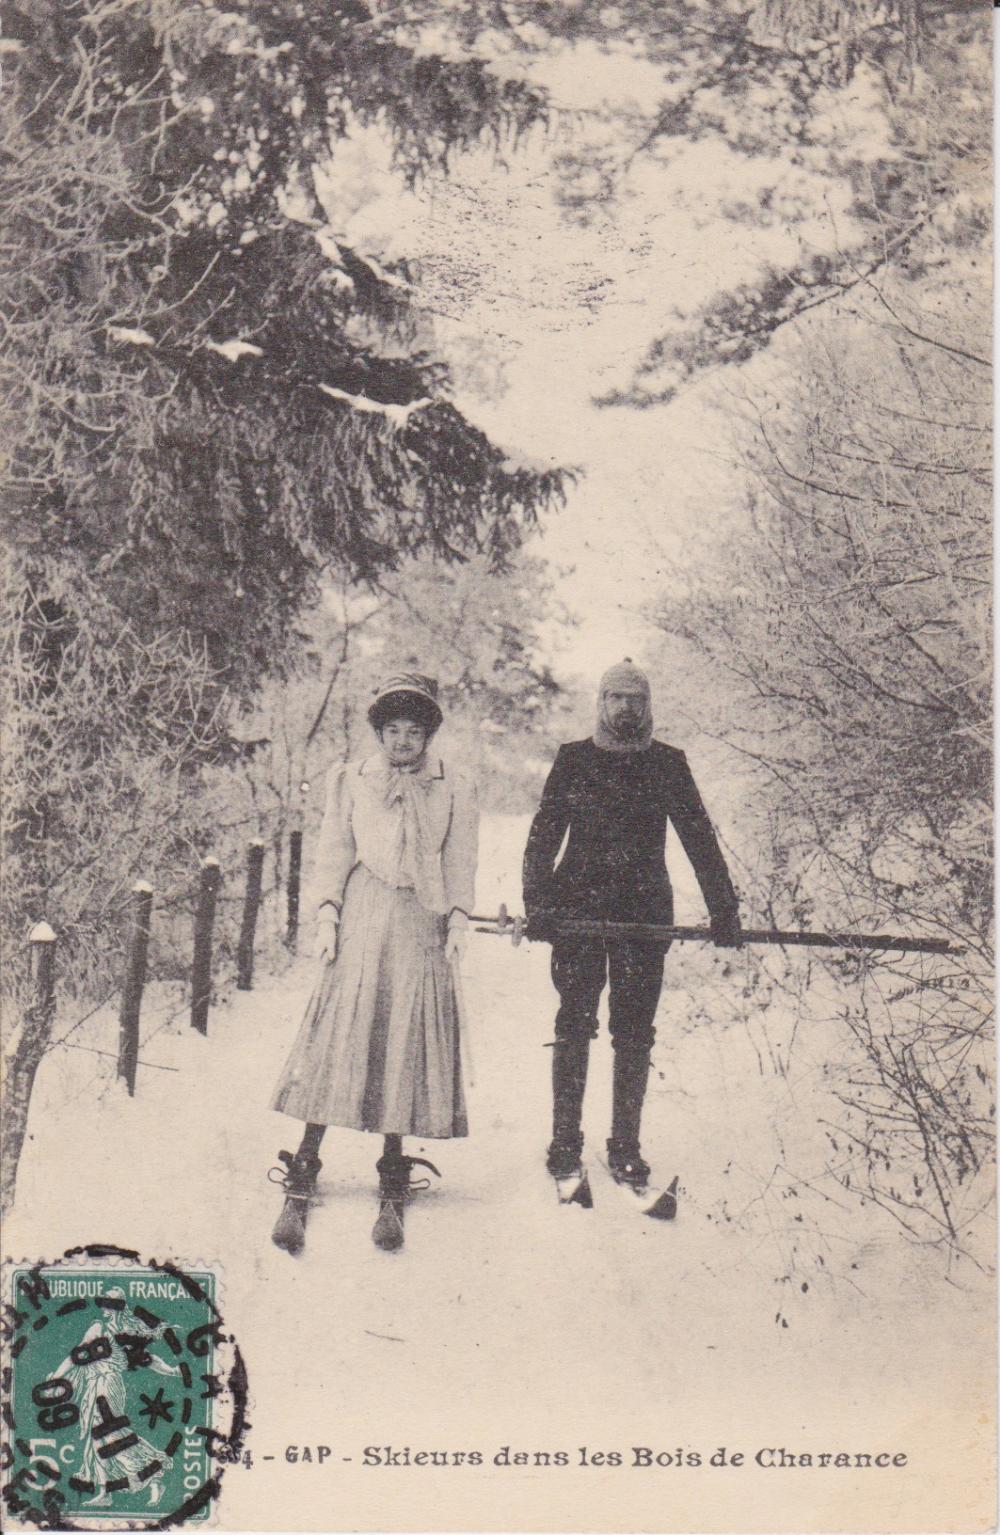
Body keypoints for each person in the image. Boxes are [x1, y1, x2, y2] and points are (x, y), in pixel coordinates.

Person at [269, 672, 479, 1253]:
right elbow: (335, 849)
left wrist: (458, 917)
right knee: (345, 1029)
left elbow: (461, 856)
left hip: (420, 917)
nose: (403, 742)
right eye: (392, 730)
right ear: (379, 732)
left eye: (414, 731)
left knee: (404, 1033)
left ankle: (392, 1164)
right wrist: (327, 915)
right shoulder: (351, 780)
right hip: (363, 913)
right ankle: (307, 1158)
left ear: (428, 735)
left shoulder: (452, 785)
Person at [522, 659, 741, 1192]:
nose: (625, 707)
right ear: (600, 702)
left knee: (634, 1032)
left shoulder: (668, 763)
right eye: (615, 697)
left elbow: (699, 838)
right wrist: (539, 904)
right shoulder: (574, 760)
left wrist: (724, 910)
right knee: (574, 1023)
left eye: (634, 699)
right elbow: (543, 836)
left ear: (648, 705)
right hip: (578, 913)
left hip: (644, 916)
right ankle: (564, 1143)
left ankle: (625, 1147)